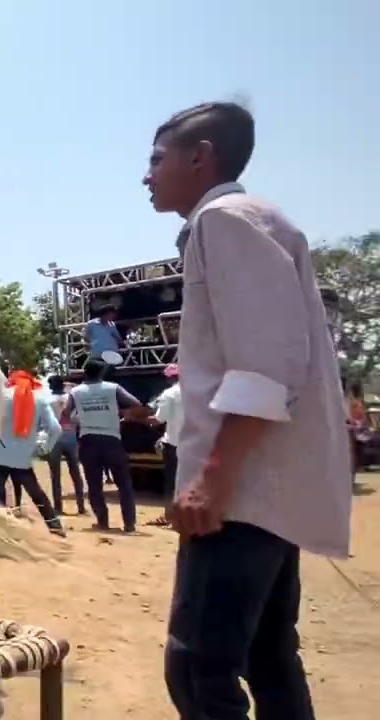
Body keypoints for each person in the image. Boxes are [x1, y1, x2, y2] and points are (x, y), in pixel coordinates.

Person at [144, 101, 350, 718]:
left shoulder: (226, 220)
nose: (147, 174)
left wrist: (213, 478)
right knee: (268, 658)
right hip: (264, 494)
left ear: (200, 157)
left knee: (199, 670)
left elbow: (263, 366)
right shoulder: (251, 220)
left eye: (157, 159)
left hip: (241, 498)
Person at [62, 358, 147, 533]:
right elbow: (136, 404)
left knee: (94, 484)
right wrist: (122, 414)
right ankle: (129, 524)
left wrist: (76, 420)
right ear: (102, 373)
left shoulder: (76, 391)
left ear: (85, 372)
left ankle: (103, 521)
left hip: (88, 440)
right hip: (111, 440)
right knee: (123, 484)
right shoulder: (113, 388)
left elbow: (65, 414)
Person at [0, 370, 66, 536]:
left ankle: (3, 533)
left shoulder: (0, 396)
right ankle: (55, 527)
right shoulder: (39, 399)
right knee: (36, 493)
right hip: (22, 457)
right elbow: (55, 429)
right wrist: (43, 448)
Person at [146, 364, 182, 528]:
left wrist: (137, 418)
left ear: (168, 378)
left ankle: (171, 517)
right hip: (195, 444)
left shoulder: (169, 394)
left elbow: (159, 419)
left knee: (172, 482)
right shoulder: (196, 391)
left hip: (174, 444)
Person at [44, 376, 84, 515]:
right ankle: (81, 506)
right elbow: (78, 418)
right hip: (71, 438)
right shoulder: (72, 398)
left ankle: (58, 507)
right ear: (62, 385)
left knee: (55, 475)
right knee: (76, 474)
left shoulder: (47, 401)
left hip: (54, 440)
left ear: (51, 386)